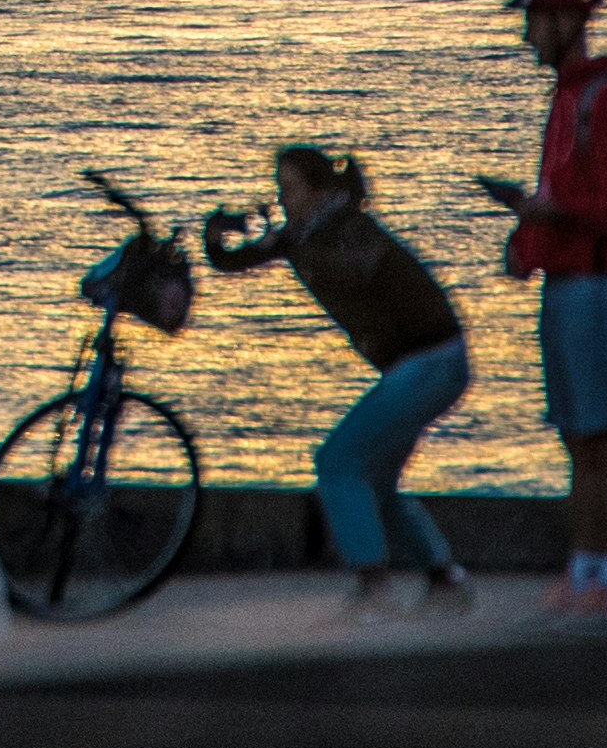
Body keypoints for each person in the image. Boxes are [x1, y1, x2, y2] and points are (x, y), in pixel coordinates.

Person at [480, 0, 607, 629]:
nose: (528, 38)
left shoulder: (604, 99)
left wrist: (548, 213)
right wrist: (527, 240)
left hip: (596, 287)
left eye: (534, 23)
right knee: (578, 437)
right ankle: (587, 567)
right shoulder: (570, 97)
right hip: (568, 286)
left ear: (565, 22)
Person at [200, 145, 471, 602]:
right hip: (419, 367)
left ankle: (373, 585)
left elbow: (354, 269)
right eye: (280, 189)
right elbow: (232, 262)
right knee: (376, 480)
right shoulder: (306, 233)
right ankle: (443, 578)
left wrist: (291, 244)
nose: (283, 199)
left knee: (338, 462)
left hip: (432, 362)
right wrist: (216, 235)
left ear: (320, 189)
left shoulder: (349, 227)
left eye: (290, 189)